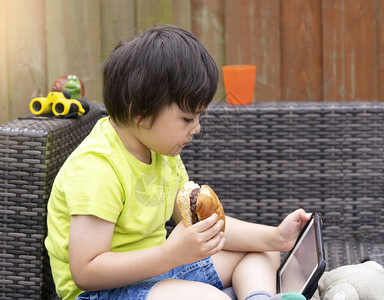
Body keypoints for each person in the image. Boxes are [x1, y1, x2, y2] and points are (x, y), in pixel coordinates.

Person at [45, 25, 310, 300]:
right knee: (210, 298)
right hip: (100, 292)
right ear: (141, 113)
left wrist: (277, 237)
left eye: (198, 117)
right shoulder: (97, 168)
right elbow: (86, 271)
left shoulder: (162, 152)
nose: (196, 129)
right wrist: (170, 254)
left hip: (157, 272)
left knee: (263, 251)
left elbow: (207, 226)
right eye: (187, 119)